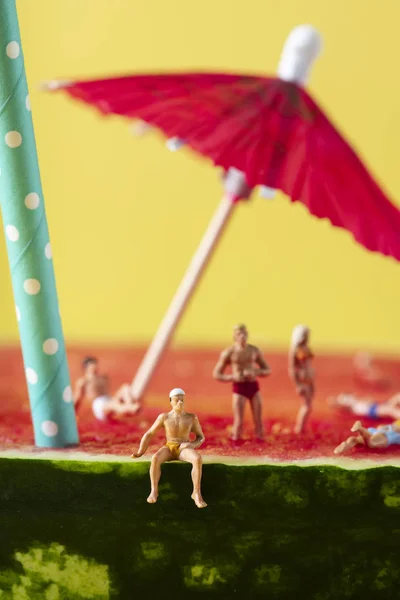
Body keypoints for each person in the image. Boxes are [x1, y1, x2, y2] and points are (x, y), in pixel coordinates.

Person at [131, 388, 207, 508]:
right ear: (170, 401)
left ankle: (196, 493)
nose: (180, 402)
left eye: (182, 400)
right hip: (169, 446)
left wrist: (191, 445)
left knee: (197, 459)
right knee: (155, 458)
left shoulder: (191, 417)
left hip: (183, 448)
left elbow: (200, 437)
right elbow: (150, 433)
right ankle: (154, 491)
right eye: (177, 400)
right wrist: (140, 451)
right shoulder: (164, 417)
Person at [213, 324, 271, 441]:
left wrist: (255, 371)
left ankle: (260, 441)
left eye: (245, 333)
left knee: (258, 419)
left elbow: (267, 370)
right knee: (239, 420)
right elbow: (217, 373)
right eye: (239, 334)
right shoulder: (229, 352)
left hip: (253, 386)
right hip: (239, 387)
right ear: (235, 336)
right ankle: (235, 441)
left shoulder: (254, 351)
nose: (243, 336)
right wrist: (232, 377)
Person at [73, 356, 141, 421]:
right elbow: (77, 399)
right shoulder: (83, 381)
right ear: (87, 367)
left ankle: (129, 406)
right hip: (99, 405)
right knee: (115, 405)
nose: (96, 366)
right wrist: (72, 415)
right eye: (92, 364)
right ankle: (131, 408)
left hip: (109, 399)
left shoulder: (103, 377)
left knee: (125, 388)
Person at [289, 325, 315, 434]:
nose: (307, 337)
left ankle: (302, 427)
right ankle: (299, 428)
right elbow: (292, 369)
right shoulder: (295, 350)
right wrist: (298, 385)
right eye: (305, 335)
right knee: (306, 406)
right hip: (303, 380)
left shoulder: (305, 348)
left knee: (309, 405)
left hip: (309, 379)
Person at [334, 419, 400, 454]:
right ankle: (360, 429)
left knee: (355, 440)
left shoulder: (393, 424)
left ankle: (347, 444)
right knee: (371, 442)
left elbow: (383, 426)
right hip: (387, 435)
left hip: (376, 431)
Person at [328, 392, 400, 421]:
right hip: (371, 410)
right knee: (391, 410)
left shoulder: (343, 398)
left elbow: (359, 399)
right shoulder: (345, 406)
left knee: (396, 398)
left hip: (374, 406)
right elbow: (347, 407)